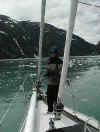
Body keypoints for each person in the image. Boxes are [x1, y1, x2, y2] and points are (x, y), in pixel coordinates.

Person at [46, 45, 63, 112]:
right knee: (49, 97)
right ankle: (50, 110)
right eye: (51, 53)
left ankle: (56, 111)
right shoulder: (49, 61)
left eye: (53, 53)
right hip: (50, 83)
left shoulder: (60, 62)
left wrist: (55, 74)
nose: (52, 54)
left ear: (56, 53)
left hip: (57, 83)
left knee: (56, 98)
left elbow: (61, 72)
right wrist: (47, 73)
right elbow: (47, 70)